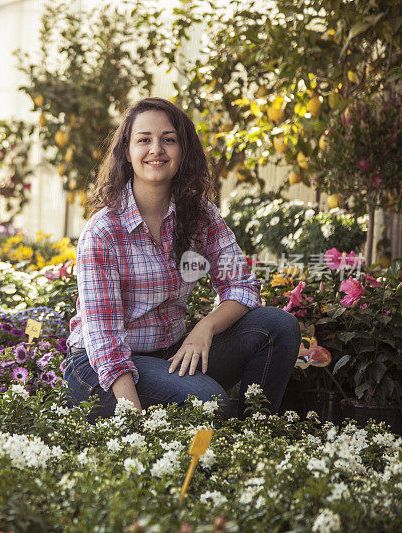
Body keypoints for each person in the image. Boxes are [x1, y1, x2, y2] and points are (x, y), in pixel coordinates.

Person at [64, 97, 300, 420]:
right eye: (144, 140)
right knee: (208, 398)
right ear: (127, 153)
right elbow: (104, 342)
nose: (156, 149)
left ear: (182, 150)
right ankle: (212, 432)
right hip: (100, 370)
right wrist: (134, 424)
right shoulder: (103, 231)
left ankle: (251, 436)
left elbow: (242, 285)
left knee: (279, 326)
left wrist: (205, 326)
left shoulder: (199, 214)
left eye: (168, 140)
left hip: (170, 354)